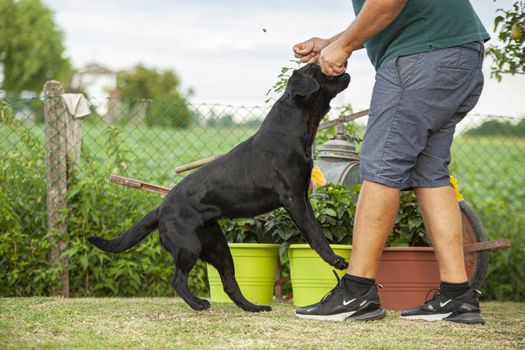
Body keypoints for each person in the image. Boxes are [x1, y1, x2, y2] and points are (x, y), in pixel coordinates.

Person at [293, 0, 489, 324]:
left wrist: (343, 46)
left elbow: (388, 1)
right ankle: (457, 295)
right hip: (457, 55)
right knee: (430, 172)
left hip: (422, 57)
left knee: (381, 165)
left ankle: (357, 291)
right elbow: (390, 12)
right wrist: (334, 42)